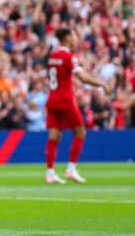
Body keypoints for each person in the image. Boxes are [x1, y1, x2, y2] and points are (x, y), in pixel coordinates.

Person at [44, 28, 111, 184]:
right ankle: (71, 169)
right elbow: (83, 78)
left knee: (54, 135)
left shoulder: (52, 55)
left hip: (52, 99)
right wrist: (101, 83)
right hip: (66, 99)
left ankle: (50, 172)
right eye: (73, 35)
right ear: (67, 38)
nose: (75, 38)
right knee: (80, 132)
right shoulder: (68, 56)